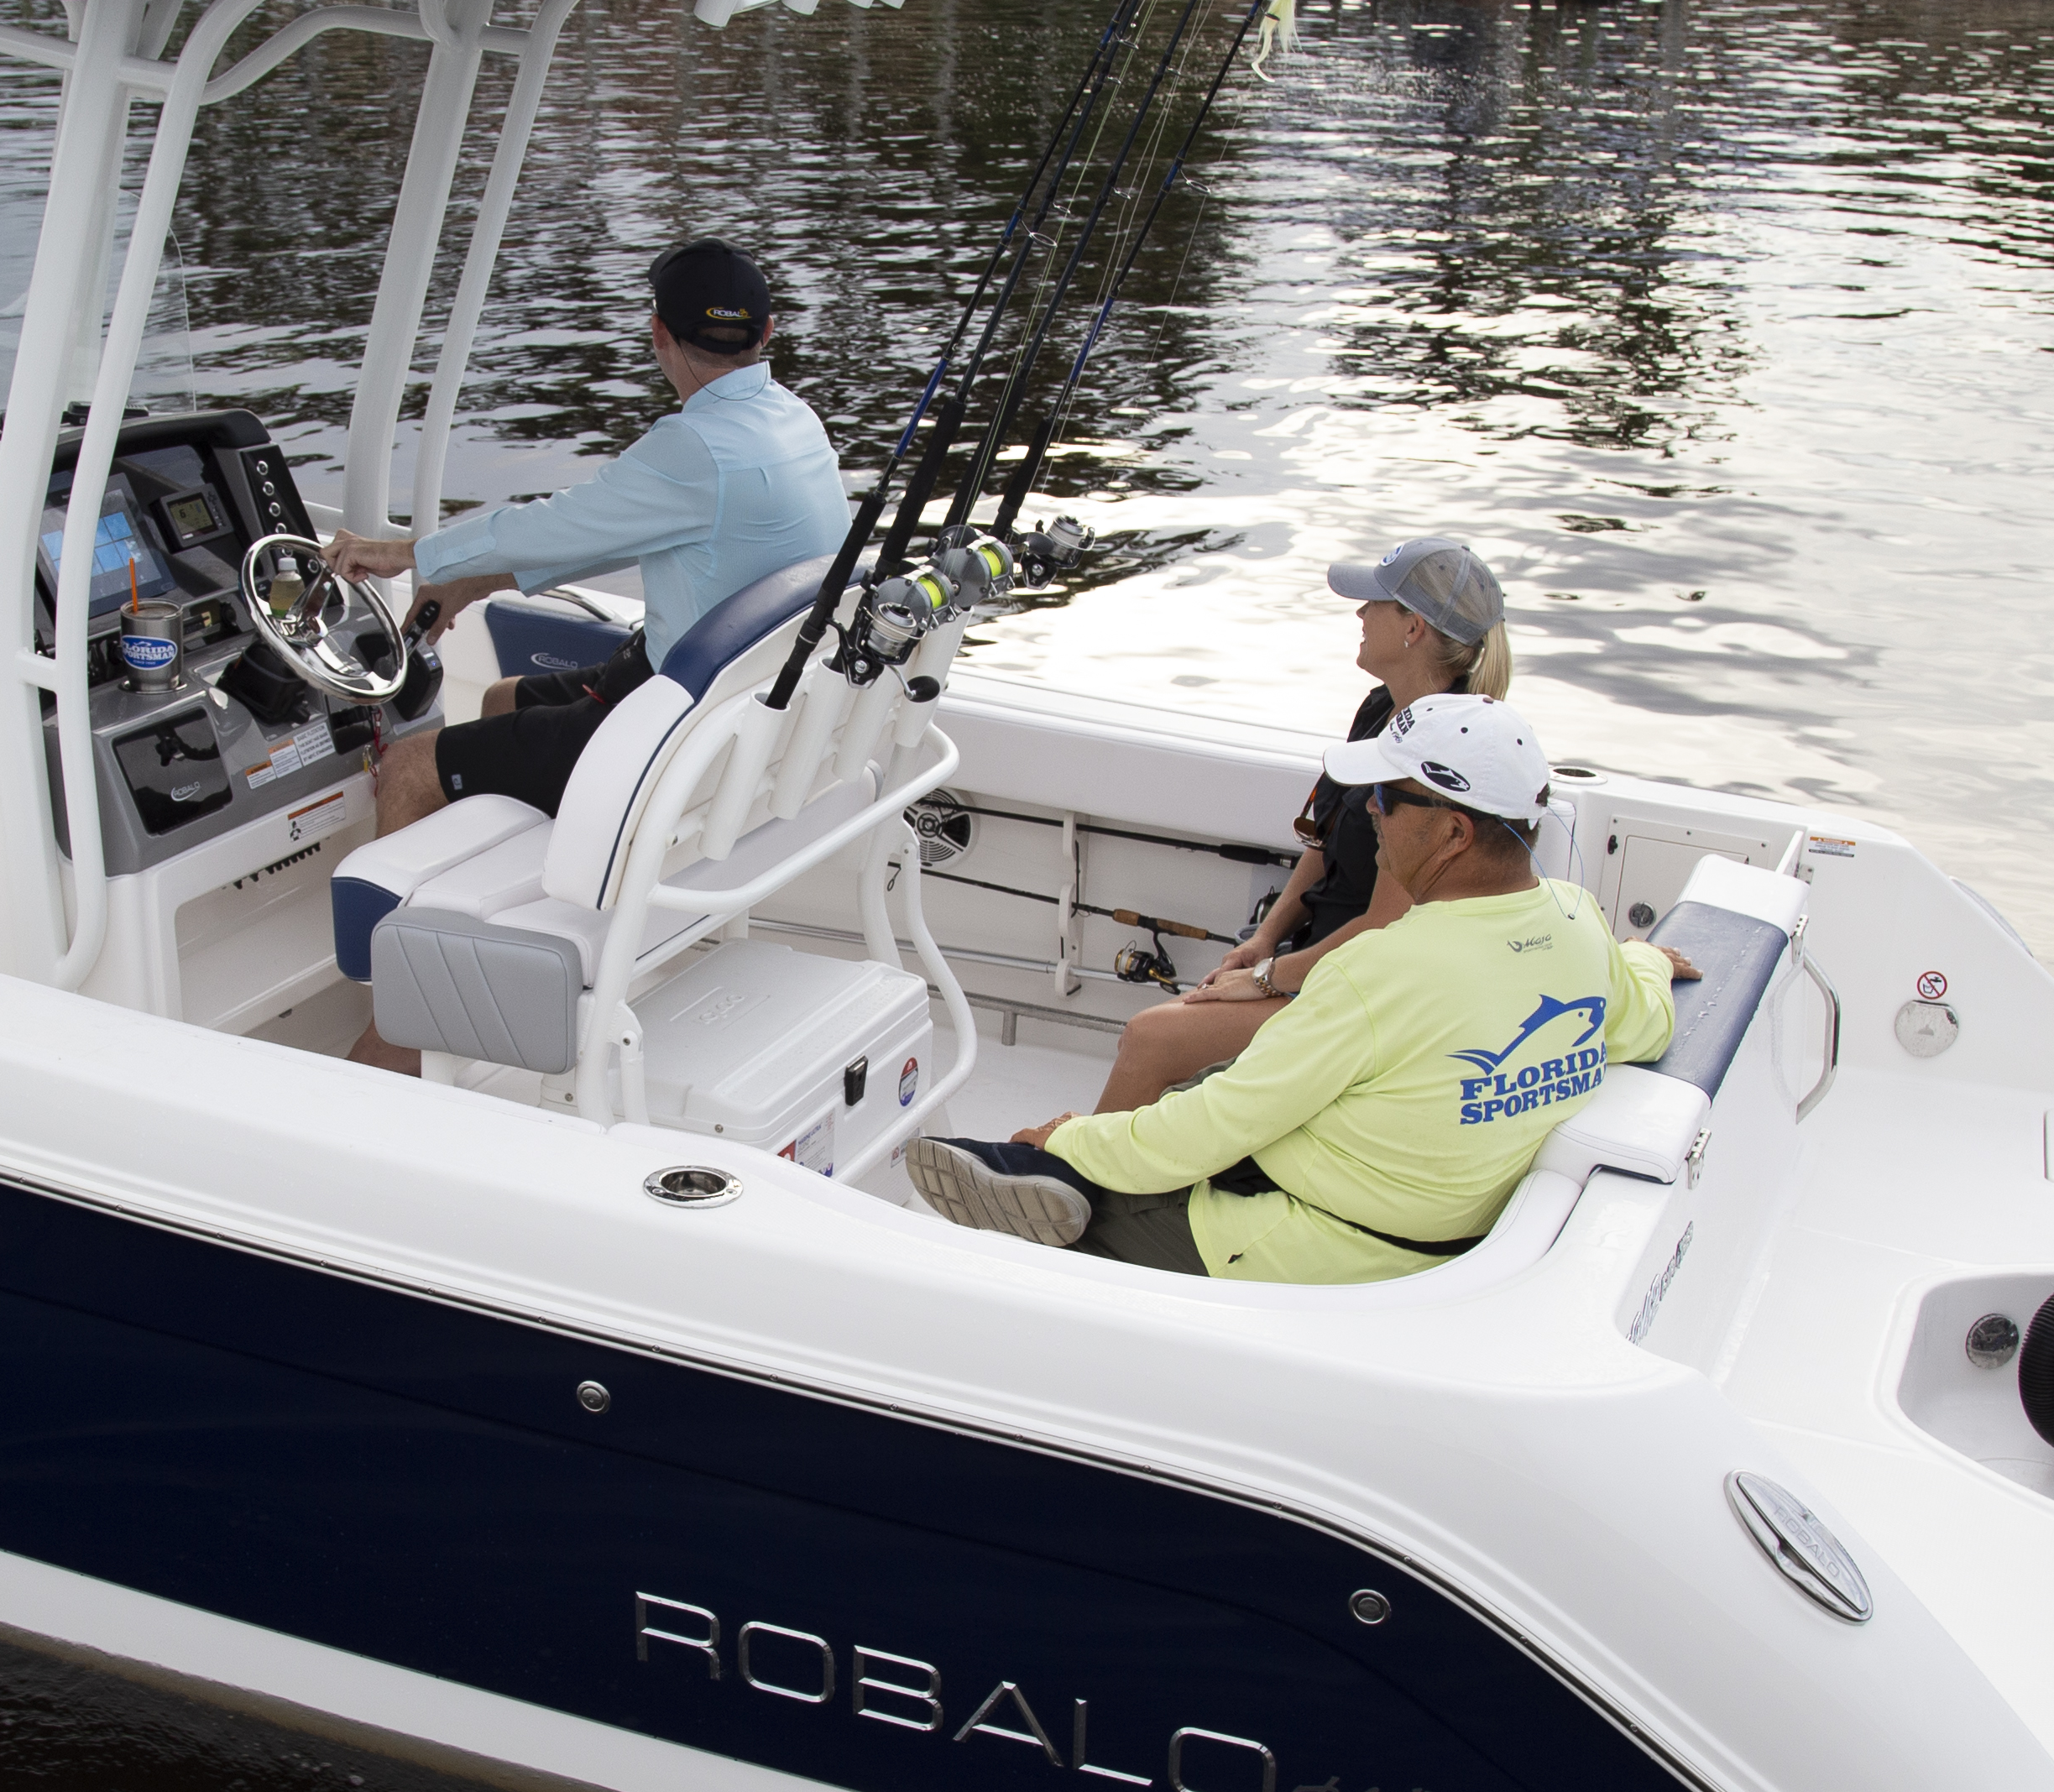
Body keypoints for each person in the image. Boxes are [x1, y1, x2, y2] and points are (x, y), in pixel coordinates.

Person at [902, 693, 1689, 1284]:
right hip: (1426, 1223)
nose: (1369, 813)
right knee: (1206, 1083)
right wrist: (1648, 959)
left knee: (1035, 1212)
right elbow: (1647, 1020)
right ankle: (1056, 1173)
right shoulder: (1582, 926)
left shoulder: (1386, 970)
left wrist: (1068, 1135)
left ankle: (1051, 1194)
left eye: (1386, 797)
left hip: (1319, 1240)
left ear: (1453, 832)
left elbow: (1215, 1129)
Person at [323, 237, 847, 839]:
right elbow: (627, 533)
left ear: (657, 332)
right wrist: (471, 581)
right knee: (501, 700)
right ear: (769, 332)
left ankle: (393, 933)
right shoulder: (795, 420)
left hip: (680, 730)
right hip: (742, 701)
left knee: (407, 770)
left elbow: (555, 524)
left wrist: (401, 553)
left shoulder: (693, 447)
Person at [1091, 536, 1516, 1115]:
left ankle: (1080, 1187)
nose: (1360, 615)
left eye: (1373, 603)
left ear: (1412, 627)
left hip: (1370, 987)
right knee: (1173, 1032)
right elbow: (1323, 835)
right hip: (1315, 954)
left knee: (1150, 1037)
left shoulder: (1445, 754)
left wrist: (1268, 977)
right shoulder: (1379, 709)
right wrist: (1268, 937)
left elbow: (1385, 926)